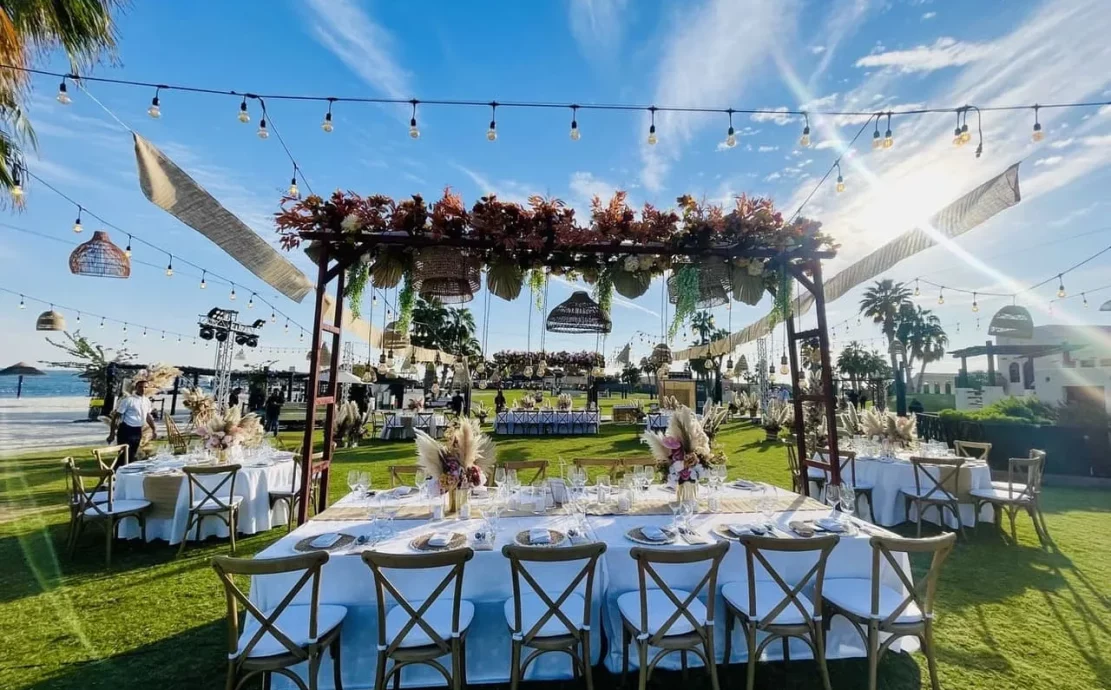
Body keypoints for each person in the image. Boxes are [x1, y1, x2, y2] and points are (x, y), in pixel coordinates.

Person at [108, 379, 157, 464]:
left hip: (137, 430)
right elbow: (116, 417)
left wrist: (154, 429)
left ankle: (121, 474)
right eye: (140, 387)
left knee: (132, 455)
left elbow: (148, 416)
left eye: (145, 387)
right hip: (126, 430)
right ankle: (113, 473)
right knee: (124, 455)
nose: (143, 389)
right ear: (136, 388)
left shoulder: (147, 401)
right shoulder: (128, 400)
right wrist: (112, 433)